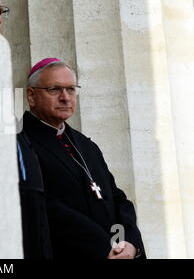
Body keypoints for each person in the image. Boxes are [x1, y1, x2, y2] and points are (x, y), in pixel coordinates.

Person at [17, 57, 146, 259]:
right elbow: (45, 208)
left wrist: (127, 243)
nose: (65, 97)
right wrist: (105, 247)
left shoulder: (86, 146)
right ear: (31, 96)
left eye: (71, 89)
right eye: (54, 89)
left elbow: (117, 199)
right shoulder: (20, 142)